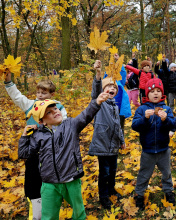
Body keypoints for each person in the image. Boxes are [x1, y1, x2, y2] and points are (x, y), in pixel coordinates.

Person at [18, 91, 109, 219]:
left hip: (71, 179)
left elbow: (85, 115)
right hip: (49, 183)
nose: (55, 112)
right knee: (48, 215)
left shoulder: (71, 125)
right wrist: (24, 136)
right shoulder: (37, 135)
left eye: (55, 108)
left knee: (79, 213)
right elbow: (24, 154)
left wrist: (97, 102)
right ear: (42, 121)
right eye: (48, 112)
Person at [4, 71, 67, 220]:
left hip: (51, 151)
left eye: (43, 93)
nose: (39, 95)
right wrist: (8, 82)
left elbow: (64, 124)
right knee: (33, 182)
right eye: (38, 92)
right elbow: (17, 97)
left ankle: (52, 205)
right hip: (33, 151)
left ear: (51, 94)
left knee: (50, 180)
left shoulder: (58, 107)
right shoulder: (30, 104)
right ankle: (36, 211)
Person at [132, 78, 176, 210]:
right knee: (144, 173)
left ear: (162, 93)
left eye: (158, 91)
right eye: (152, 91)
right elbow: (135, 126)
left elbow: (173, 124)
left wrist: (165, 119)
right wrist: (145, 119)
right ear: (147, 94)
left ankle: (168, 191)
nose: (155, 93)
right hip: (148, 150)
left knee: (166, 172)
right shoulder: (142, 109)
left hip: (163, 149)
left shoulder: (166, 108)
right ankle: (139, 193)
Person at [88, 60, 126, 209]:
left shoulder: (115, 107)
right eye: (108, 86)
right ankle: (103, 196)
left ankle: (111, 190)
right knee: (104, 172)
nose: (112, 89)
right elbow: (95, 92)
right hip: (102, 144)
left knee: (113, 170)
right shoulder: (100, 103)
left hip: (114, 145)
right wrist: (98, 74)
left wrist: (122, 141)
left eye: (114, 87)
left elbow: (118, 127)